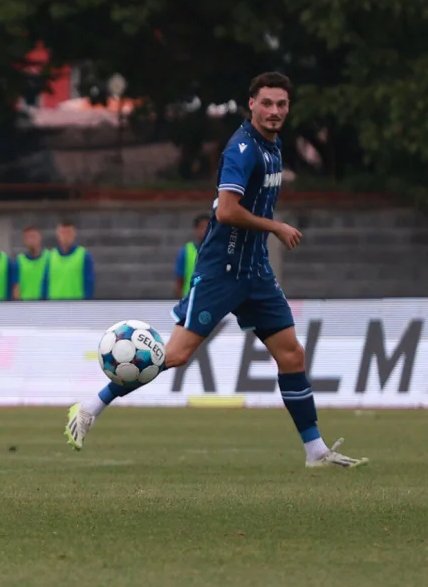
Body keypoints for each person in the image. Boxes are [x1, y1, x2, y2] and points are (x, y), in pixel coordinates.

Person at [64, 72, 368, 469]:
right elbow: (225, 211)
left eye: (282, 104)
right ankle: (89, 407)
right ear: (251, 105)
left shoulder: (273, 148)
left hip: (255, 272)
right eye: (267, 103)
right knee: (173, 356)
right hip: (222, 271)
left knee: (292, 355)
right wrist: (275, 226)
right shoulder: (242, 148)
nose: (275, 111)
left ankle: (316, 452)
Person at [42, 220, 94, 300]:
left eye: (69, 233)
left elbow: (89, 285)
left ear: (74, 234)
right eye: (63, 233)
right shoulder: (50, 257)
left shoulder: (84, 256)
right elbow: (45, 285)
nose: (66, 236)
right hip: (54, 308)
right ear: (58, 235)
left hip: (76, 308)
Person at [175, 214, 210, 298]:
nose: (204, 230)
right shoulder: (186, 251)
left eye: (207, 227)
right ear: (196, 229)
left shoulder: (216, 251)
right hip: (189, 300)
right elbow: (179, 281)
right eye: (201, 227)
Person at [12, 225, 48, 301]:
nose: (31, 240)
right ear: (24, 241)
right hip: (25, 306)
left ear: (40, 238)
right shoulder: (19, 261)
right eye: (28, 237)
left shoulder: (49, 258)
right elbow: (16, 288)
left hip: (45, 306)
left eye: (34, 236)